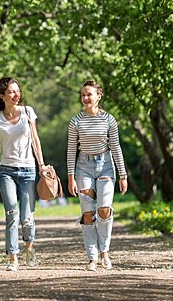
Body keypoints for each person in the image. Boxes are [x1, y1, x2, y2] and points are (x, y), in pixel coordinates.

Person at [0, 76, 50, 271]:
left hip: (28, 170)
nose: (16, 94)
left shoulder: (28, 112)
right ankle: (12, 258)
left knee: (27, 217)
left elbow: (35, 140)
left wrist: (42, 165)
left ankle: (29, 248)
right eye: (11, 91)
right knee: (11, 211)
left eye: (17, 91)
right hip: (6, 172)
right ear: (2, 96)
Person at [66, 80, 128, 272]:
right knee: (87, 213)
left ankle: (105, 253)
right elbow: (70, 150)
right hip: (83, 167)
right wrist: (70, 176)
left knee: (104, 209)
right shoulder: (75, 121)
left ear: (99, 96)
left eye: (89, 94)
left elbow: (116, 147)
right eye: (83, 95)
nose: (85, 98)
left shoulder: (109, 120)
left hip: (106, 166)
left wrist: (123, 174)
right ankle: (92, 257)